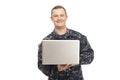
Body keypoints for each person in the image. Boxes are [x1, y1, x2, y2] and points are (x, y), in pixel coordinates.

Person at [38, 5, 94, 80]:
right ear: (52, 18)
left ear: (66, 17)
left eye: (62, 15)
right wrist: (57, 68)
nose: (59, 18)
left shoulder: (78, 37)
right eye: (56, 16)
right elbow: (41, 65)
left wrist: (74, 60)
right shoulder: (46, 42)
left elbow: (90, 56)